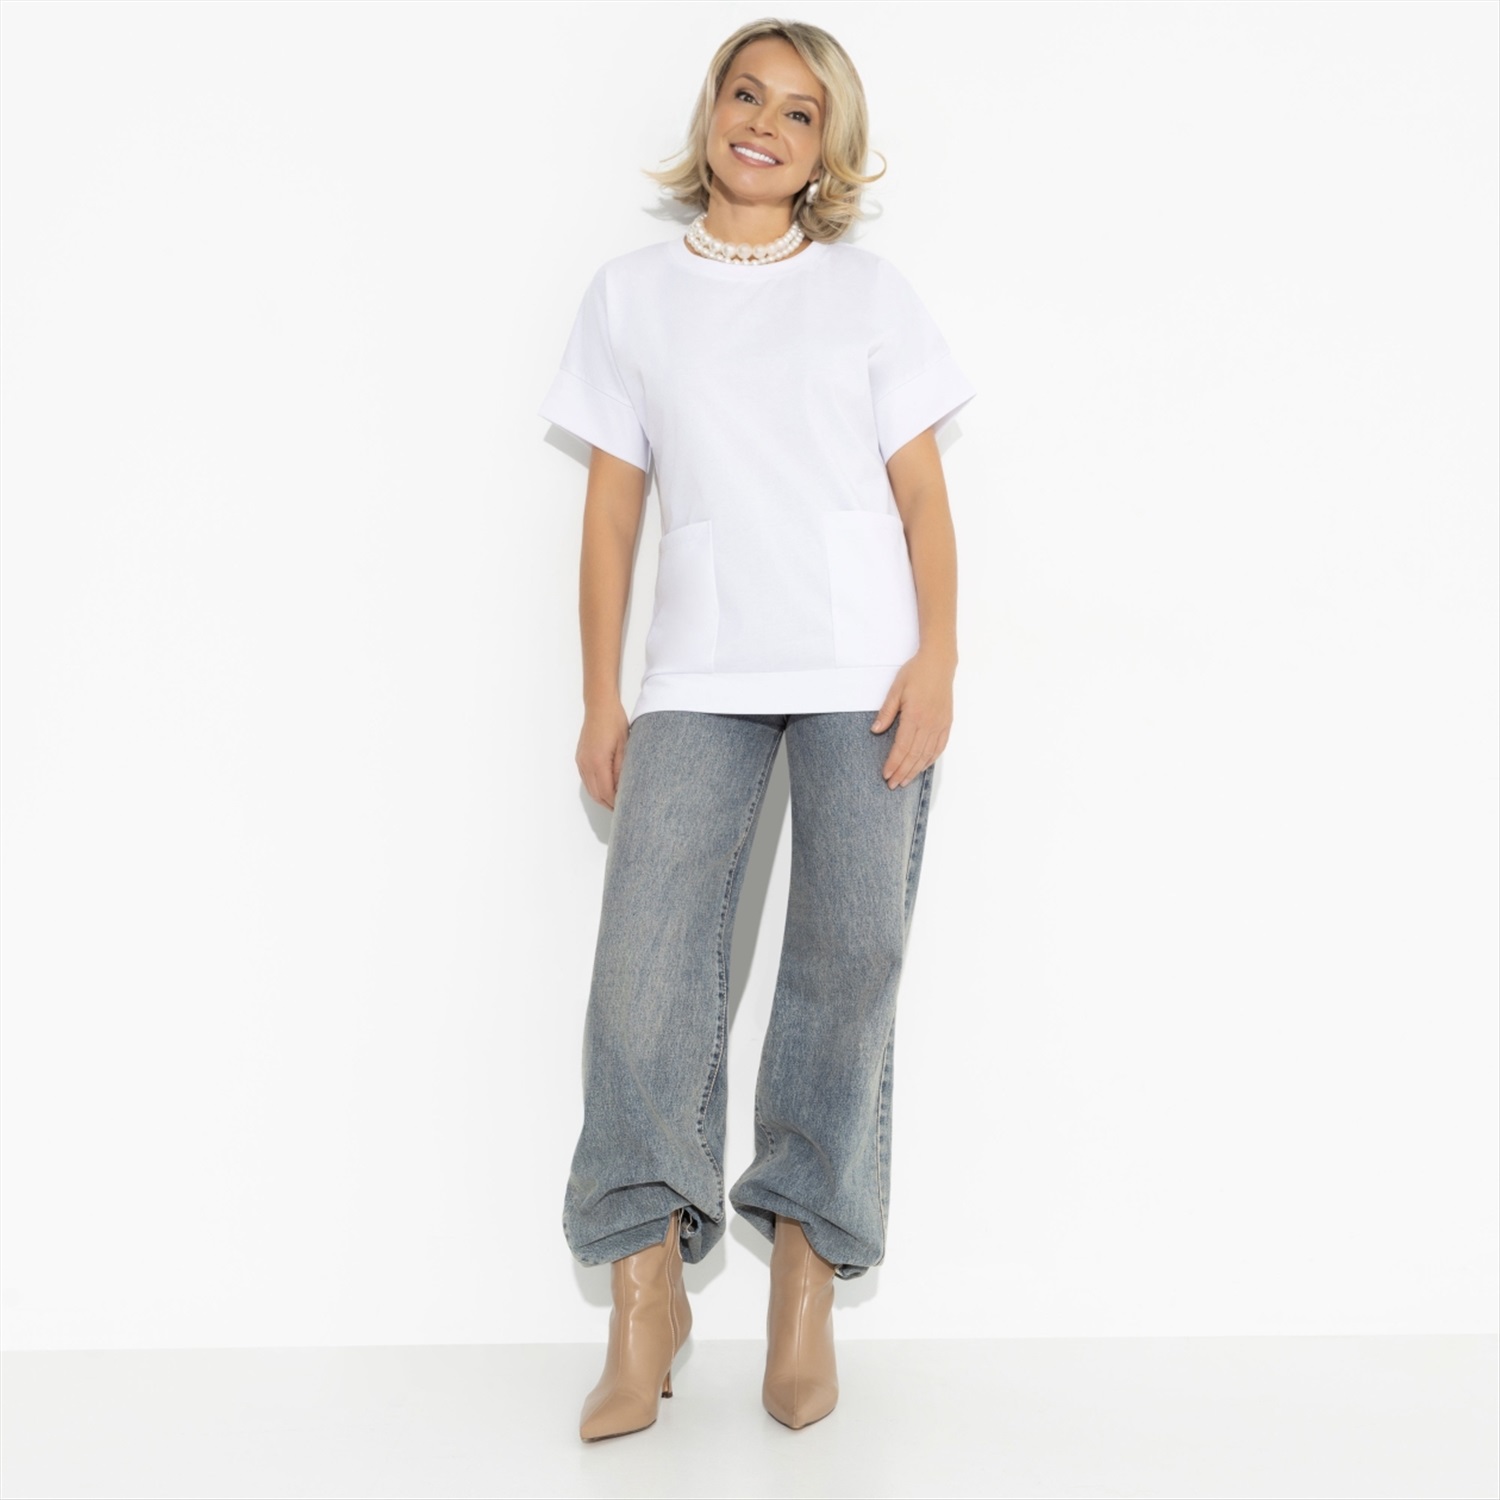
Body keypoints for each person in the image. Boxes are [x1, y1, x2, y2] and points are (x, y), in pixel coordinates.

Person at [538, 17, 975, 1441]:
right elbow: (612, 514)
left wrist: (938, 657)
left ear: (828, 148)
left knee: (849, 957)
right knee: (644, 972)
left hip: (864, 665)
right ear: (711, 108)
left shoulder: (867, 293)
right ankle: (644, 1298)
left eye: (799, 111)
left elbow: (922, 497)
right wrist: (601, 693)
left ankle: (801, 1285)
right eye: (748, 95)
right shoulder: (630, 296)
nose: (766, 126)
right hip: (698, 669)